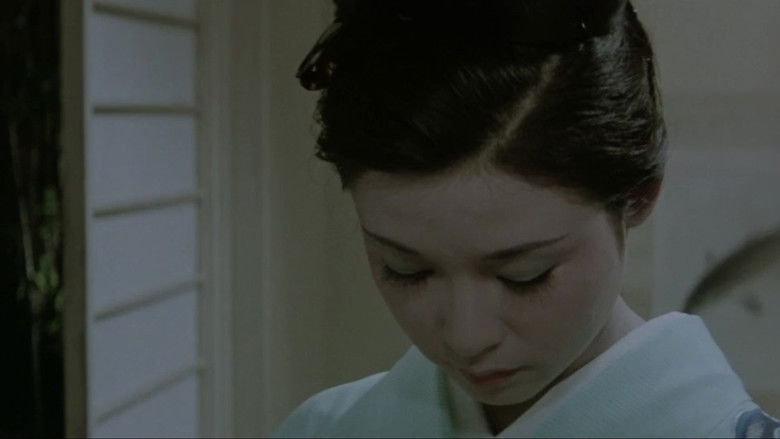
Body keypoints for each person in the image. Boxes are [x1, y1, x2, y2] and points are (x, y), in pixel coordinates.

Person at [273, 0, 780, 437]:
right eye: (406, 270)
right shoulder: (324, 428)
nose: (467, 337)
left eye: (525, 276)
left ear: (638, 196)